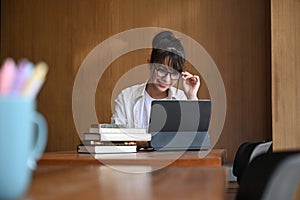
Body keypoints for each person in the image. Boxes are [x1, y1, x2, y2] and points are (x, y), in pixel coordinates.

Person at [111, 30, 200, 130]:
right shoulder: (126, 98)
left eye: (174, 73)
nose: (167, 79)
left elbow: (194, 138)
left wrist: (192, 96)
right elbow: (116, 138)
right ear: (150, 64)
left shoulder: (183, 99)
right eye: (162, 70)